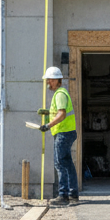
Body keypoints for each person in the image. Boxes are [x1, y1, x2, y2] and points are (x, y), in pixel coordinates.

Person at [38, 66, 78, 206]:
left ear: (56, 80)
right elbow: (58, 112)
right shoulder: (60, 93)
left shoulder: (60, 94)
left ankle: (63, 195)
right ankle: (72, 193)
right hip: (67, 132)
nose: (48, 82)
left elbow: (62, 114)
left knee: (60, 163)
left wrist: (48, 125)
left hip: (63, 133)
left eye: (50, 79)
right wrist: (47, 113)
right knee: (67, 163)